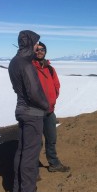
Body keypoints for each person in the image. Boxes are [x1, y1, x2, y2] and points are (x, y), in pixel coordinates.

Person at [7, 30, 49, 192]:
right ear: (29, 43)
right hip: (32, 113)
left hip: (21, 110)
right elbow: (34, 92)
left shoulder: (14, 62)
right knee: (31, 154)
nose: (37, 46)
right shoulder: (26, 65)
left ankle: (17, 190)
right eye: (35, 43)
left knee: (22, 151)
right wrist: (46, 106)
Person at [34, 42, 70, 173]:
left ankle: (54, 164)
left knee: (51, 139)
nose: (40, 51)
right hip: (35, 112)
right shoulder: (30, 68)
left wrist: (53, 98)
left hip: (49, 111)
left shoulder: (50, 68)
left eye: (42, 49)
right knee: (36, 143)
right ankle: (32, 171)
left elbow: (56, 85)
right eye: (37, 50)